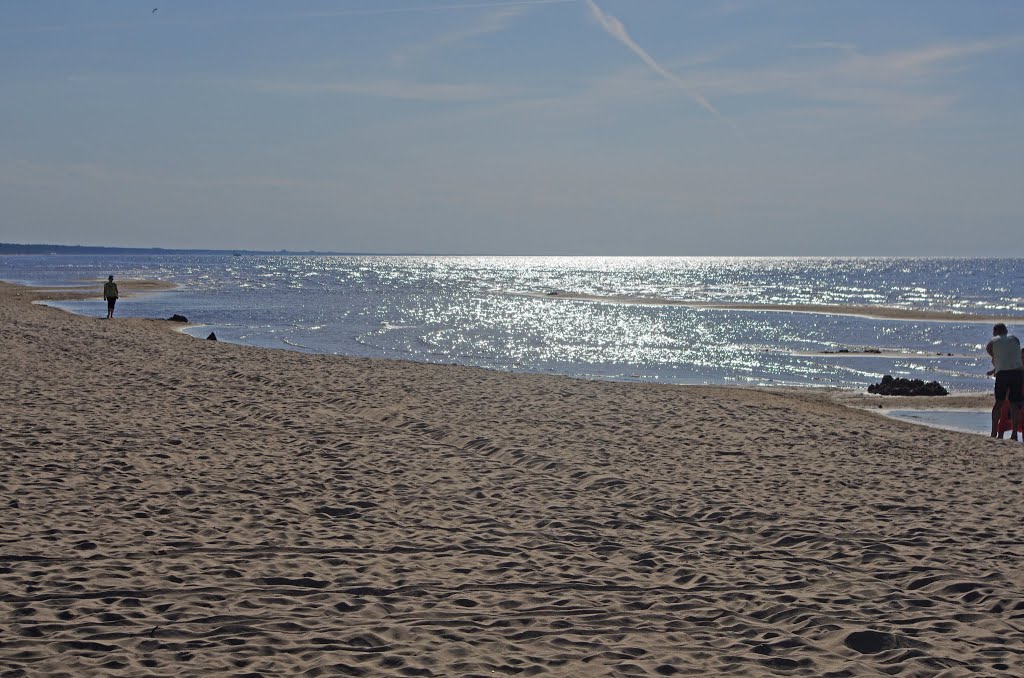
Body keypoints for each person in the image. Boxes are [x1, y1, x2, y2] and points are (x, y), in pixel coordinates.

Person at [986, 323, 1023, 440]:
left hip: (1003, 373)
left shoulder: (994, 340)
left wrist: (995, 357)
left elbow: (988, 348)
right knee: (1014, 404)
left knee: (999, 403)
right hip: (1017, 373)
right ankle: (1014, 434)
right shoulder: (1015, 339)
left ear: (995, 332)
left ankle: (993, 433)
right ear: (1006, 331)